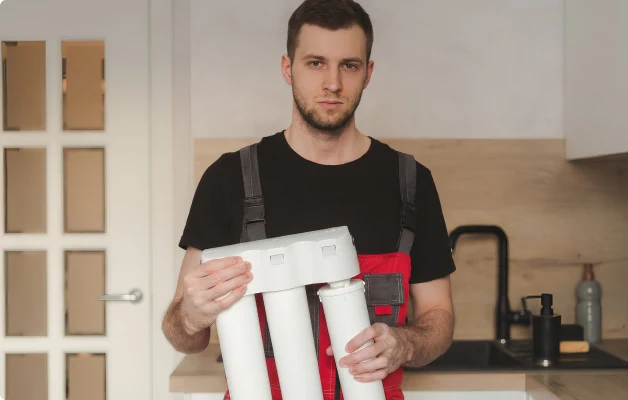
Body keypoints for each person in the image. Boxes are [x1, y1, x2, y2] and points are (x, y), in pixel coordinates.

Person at [162, 0, 456, 399]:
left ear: (368, 73)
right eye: (315, 62)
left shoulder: (411, 181)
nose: (332, 83)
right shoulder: (230, 179)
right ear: (288, 68)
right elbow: (182, 334)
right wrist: (192, 314)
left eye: (348, 65)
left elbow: (439, 317)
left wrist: (405, 343)